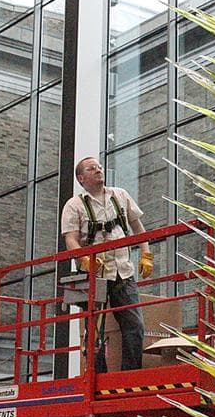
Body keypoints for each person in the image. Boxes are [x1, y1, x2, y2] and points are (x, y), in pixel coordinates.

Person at [60, 156, 154, 372]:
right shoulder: (74, 205)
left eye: (99, 167)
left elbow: (138, 228)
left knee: (135, 325)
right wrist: (84, 259)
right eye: (92, 168)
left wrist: (146, 254)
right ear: (81, 178)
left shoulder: (120, 196)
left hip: (123, 272)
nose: (98, 170)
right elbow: (71, 239)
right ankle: (98, 377)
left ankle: (129, 375)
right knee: (95, 331)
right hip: (95, 275)